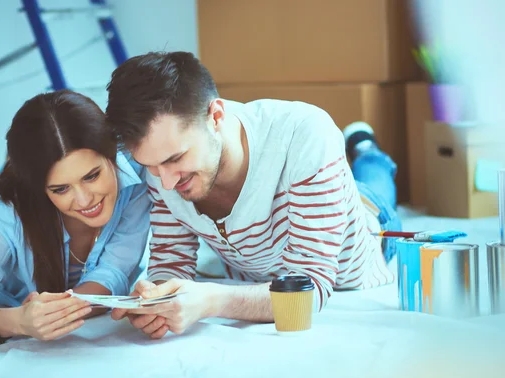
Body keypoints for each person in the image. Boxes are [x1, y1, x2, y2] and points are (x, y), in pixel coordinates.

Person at [104, 51, 402, 339]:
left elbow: (306, 290)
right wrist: (155, 298)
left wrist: (211, 300)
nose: (165, 183)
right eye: (152, 167)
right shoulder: (162, 160)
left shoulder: (307, 136)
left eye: (175, 159)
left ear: (216, 117)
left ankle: (366, 149)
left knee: (374, 186)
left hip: (365, 234)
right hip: (273, 250)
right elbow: (171, 261)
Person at [0, 90, 151, 343]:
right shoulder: (8, 211)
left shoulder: (135, 178)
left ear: (112, 154)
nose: (84, 200)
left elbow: (114, 271)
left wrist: (62, 310)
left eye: (91, 176)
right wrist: (17, 321)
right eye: (60, 189)